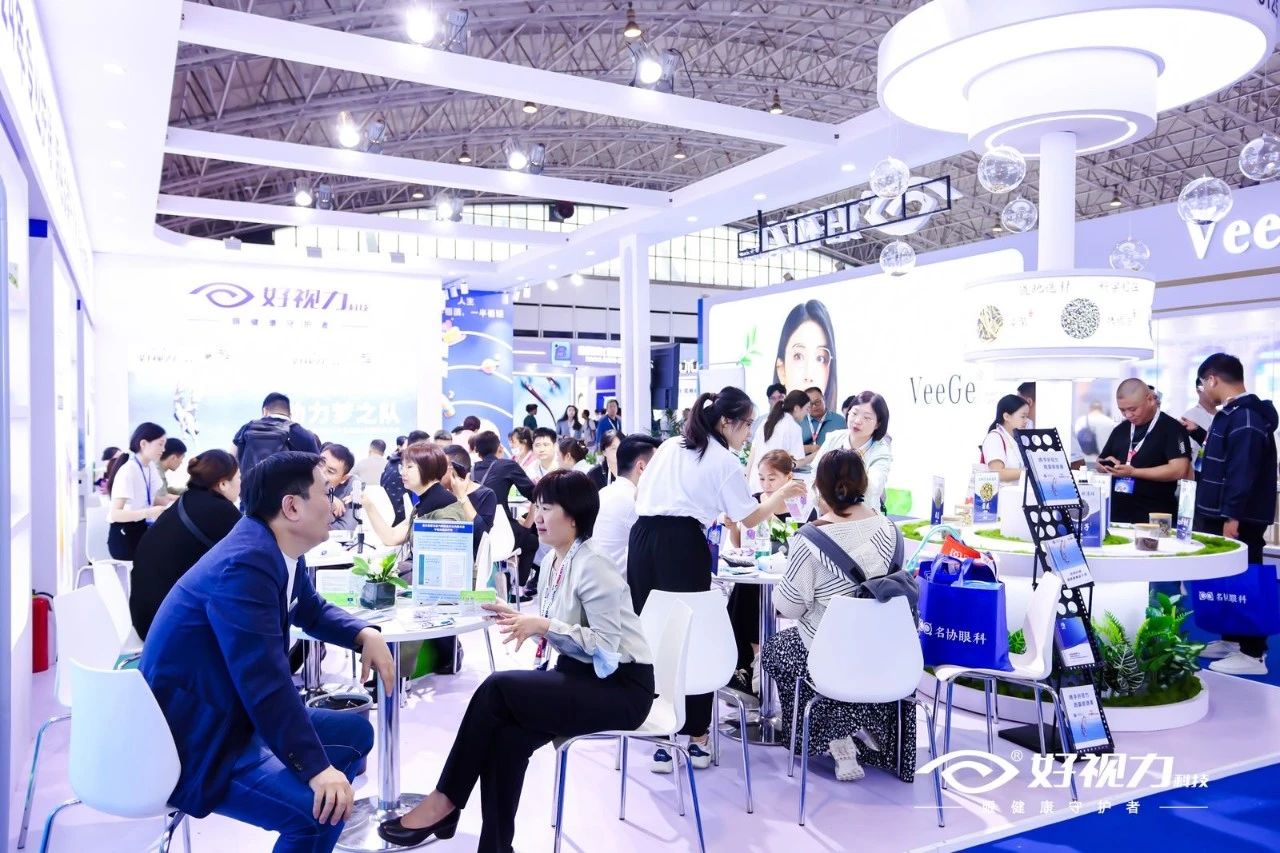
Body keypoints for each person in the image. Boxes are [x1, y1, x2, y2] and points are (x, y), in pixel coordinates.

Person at [377, 469, 653, 849]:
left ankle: (446, 800)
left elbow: (607, 650)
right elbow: (564, 630)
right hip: (580, 677)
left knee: (497, 687)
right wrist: (521, 617)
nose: (537, 516)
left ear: (574, 516)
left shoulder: (594, 565)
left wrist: (543, 625)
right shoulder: (554, 561)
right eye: (536, 506)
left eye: (548, 508)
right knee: (507, 738)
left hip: (620, 689)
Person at [140, 452, 394, 852]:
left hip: (231, 714)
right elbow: (264, 681)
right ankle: (315, 821)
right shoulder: (246, 564)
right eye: (326, 493)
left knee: (356, 733)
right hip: (198, 737)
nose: (335, 504)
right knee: (313, 817)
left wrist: (363, 634)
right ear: (291, 507)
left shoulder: (275, 547)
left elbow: (309, 608)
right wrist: (316, 769)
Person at [630, 387, 806, 773]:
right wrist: (780, 496)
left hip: (641, 542)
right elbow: (749, 517)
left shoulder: (671, 446)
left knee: (655, 637)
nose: (749, 433)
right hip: (682, 545)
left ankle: (662, 737)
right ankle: (696, 737)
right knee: (690, 639)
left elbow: (642, 494)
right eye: (747, 425)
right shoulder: (723, 460)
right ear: (726, 422)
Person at [761, 449, 917, 784]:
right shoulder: (892, 531)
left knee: (777, 650)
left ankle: (830, 733)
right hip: (888, 656)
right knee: (836, 653)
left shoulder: (810, 540)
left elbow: (788, 607)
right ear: (864, 483)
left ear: (819, 487)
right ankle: (864, 727)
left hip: (832, 659)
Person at [1186, 353, 1278, 675]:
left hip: (1238, 518)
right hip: (1221, 513)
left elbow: (1242, 470)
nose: (1203, 390)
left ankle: (1254, 654)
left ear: (1212, 379)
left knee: (1246, 578)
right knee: (1228, 580)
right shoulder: (1232, 414)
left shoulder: (1247, 417)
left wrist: (1232, 516)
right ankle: (1233, 640)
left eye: (1202, 383)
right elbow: (1224, 457)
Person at [130, 450, 242, 640]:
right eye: (238, 477)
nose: (241, 482)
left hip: (145, 618)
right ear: (223, 484)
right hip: (169, 630)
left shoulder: (186, 501)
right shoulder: (222, 512)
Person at [727, 449, 797, 696]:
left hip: (785, 576)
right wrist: (731, 527)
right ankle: (753, 662)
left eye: (772, 478)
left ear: (788, 477)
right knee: (744, 591)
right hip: (756, 572)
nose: (766, 484)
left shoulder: (797, 505)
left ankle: (755, 662)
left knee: (747, 594)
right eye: (761, 478)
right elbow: (740, 545)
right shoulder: (753, 502)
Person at [1096, 378, 1191, 524]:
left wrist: (1134, 472)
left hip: (1156, 515)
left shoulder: (1173, 428)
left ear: (1150, 400)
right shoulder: (1120, 429)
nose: (1128, 415)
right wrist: (1104, 466)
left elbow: (1179, 470)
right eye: (1122, 410)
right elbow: (1100, 460)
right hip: (1118, 514)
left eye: (1133, 409)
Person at [365, 441, 470, 549]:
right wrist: (368, 504)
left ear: (428, 468)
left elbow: (443, 554)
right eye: (402, 467)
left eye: (409, 467)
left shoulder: (444, 508)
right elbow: (392, 537)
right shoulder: (423, 504)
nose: (403, 473)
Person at [472, 431, 539, 591]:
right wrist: (528, 523)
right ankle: (518, 589)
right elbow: (535, 494)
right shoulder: (507, 465)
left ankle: (507, 580)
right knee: (531, 541)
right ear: (499, 447)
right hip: (502, 534)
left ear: (477, 451)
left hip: (477, 537)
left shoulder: (472, 470)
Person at [593, 434, 661, 578]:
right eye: (658, 466)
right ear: (641, 467)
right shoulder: (636, 502)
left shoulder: (603, 493)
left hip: (599, 579)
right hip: (621, 586)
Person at [813, 391, 893, 512]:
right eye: (854, 413)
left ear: (878, 424)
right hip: (826, 511)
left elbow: (873, 488)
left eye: (867, 418)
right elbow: (814, 473)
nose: (857, 421)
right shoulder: (834, 438)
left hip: (862, 514)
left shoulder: (880, 450)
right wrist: (820, 501)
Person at [106, 422, 172, 560]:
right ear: (143, 444)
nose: (163, 449)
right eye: (160, 444)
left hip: (141, 530)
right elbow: (115, 514)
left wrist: (178, 500)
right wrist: (149, 512)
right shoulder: (128, 470)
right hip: (125, 537)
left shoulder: (150, 467)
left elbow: (152, 499)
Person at [773, 300, 838, 414]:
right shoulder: (765, 423)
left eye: (820, 358)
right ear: (781, 370)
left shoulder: (839, 422)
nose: (809, 376)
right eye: (798, 356)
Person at [232, 392, 322, 475]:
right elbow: (318, 472)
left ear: (265, 411)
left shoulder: (247, 428)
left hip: (249, 486)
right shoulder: (306, 435)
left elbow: (231, 462)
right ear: (289, 415)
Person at [747, 389, 810, 492]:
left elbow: (752, 454)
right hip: (773, 483)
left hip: (756, 481)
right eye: (806, 409)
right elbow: (796, 462)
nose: (807, 413)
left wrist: (746, 480)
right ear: (797, 408)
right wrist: (816, 454)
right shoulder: (793, 427)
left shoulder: (766, 422)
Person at [442, 444, 498, 556]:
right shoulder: (441, 493)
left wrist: (462, 497)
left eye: (439, 468)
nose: (434, 473)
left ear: (454, 471)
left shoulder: (486, 495)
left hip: (470, 558)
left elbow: (480, 536)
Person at [382, 429, 430, 526]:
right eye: (428, 448)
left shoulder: (392, 462)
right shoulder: (409, 468)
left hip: (392, 522)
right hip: (403, 524)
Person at [980, 394, 1031, 483]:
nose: (1027, 421)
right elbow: (998, 473)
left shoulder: (1018, 439)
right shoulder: (994, 438)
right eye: (1023, 416)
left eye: (1027, 417)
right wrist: (1030, 472)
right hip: (1001, 492)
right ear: (1006, 416)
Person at [320, 444, 360, 533]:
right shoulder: (304, 472)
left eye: (330, 471)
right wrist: (327, 497)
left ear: (343, 478)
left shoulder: (352, 485)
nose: (320, 472)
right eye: (320, 463)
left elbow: (346, 527)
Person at [1181, 377, 1219, 469]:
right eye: (1210, 387)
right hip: (1198, 473)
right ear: (1199, 390)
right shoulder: (1189, 417)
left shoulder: (1223, 416)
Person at [801, 386, 846, 453]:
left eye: (817, 402)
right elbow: (789, 448)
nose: (814, 406)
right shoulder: (799, 421)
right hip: (803, 459)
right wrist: (809, 448)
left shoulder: (840, 421)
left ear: (824, 399)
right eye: (810, 404)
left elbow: (845, 446)